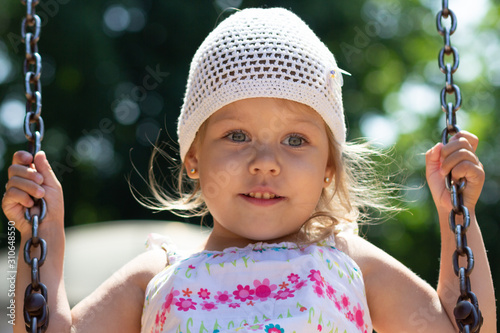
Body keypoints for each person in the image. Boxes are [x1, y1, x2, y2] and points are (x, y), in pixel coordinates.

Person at [2, 7, 495, 333]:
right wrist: (40, 240)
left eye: (296, 140)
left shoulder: (346, 260)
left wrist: (460, 222)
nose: (265, 161)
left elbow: (461, 328)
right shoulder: (160, 271)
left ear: (328, 166)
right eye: (236, 136)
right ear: (194, 157)